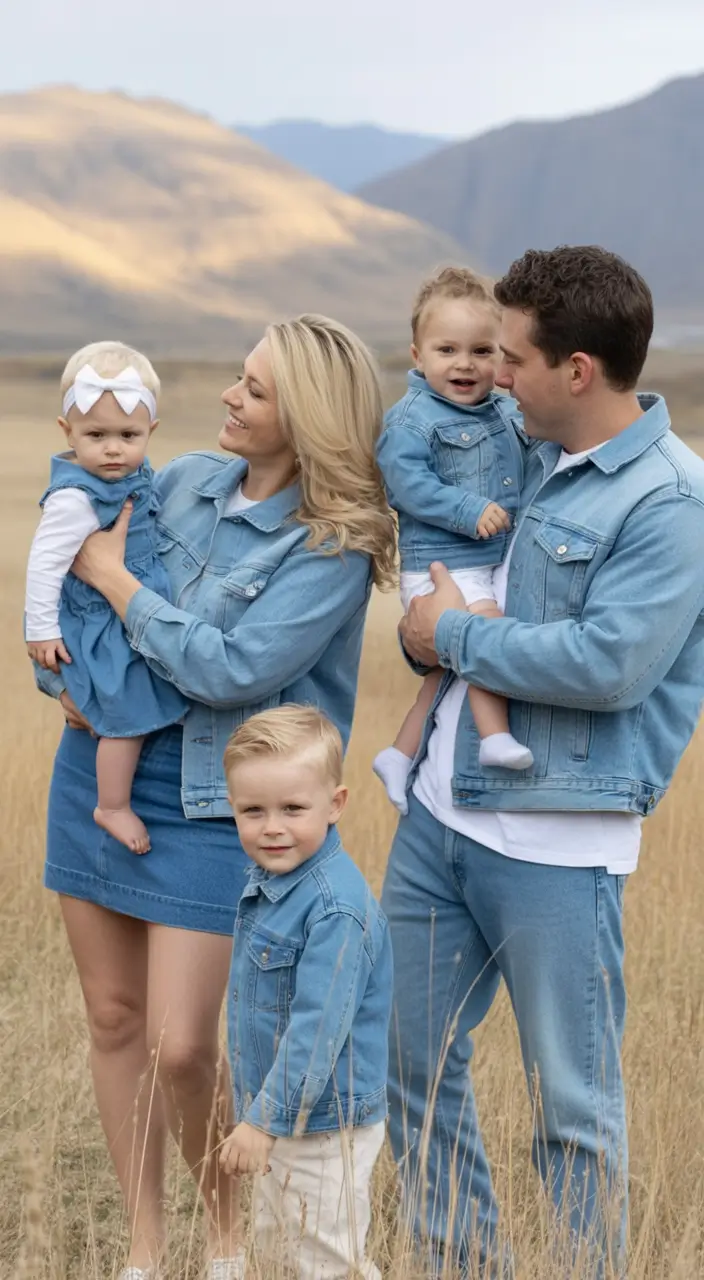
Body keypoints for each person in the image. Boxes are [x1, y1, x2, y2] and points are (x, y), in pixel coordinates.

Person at [34, 316, 396, 1280]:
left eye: (255, 389)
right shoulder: (181, 481)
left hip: (215, 799)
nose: (230, 397)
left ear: (308, 420)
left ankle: (229, 1239)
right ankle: (147, 1251)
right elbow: (69, 584)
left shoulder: (333, 548)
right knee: (112, 1019)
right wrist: (67, 687)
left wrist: (117, 582)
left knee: (185, 1045)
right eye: (237, 377)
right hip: (102, 773)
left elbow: (233, 668)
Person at [382, 246, 704, 1277]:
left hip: (556, 842)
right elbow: (452, 598)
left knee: (571, 1107)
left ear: (575, 369)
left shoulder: (670, 501)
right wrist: (422, 632)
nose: (495, 375)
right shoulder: (525, 454)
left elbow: (608, 664)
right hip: (438, 815)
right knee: (410, 1069)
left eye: (514, 357)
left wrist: (451, 638)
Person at [220, 705, 392, 1279]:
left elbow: (317, 1031)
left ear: (335, 804)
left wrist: (263, 1119)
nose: (272, 827)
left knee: (327, 1261)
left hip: (323, 1124)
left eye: (293, 809)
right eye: (253, 811)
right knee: (277, 1254)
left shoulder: (335, 907)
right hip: (281, 1114)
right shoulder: (273, 882)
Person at [372, 267, 531, 817]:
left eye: (482, 350)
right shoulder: (413, 420)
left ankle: (398, 753)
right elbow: (406, 484)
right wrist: (468, 510)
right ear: (418, 355)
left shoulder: (505, 413)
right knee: (482, 633)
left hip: (484, 561)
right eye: (447, 349)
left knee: (443, 674)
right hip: (443, 565)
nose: (465, 364)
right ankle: (495, 740)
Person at [26, 343, 190, 854]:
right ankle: (111, 804)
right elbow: (44, 564)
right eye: (96, 436)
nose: (113, 449)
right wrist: (41, 631)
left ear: (151, 434)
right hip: (100, 625)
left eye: (128, 435)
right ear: (67, 433)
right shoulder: (76, 498)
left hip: (128, 613)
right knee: (124, 714)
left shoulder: (140, 477)